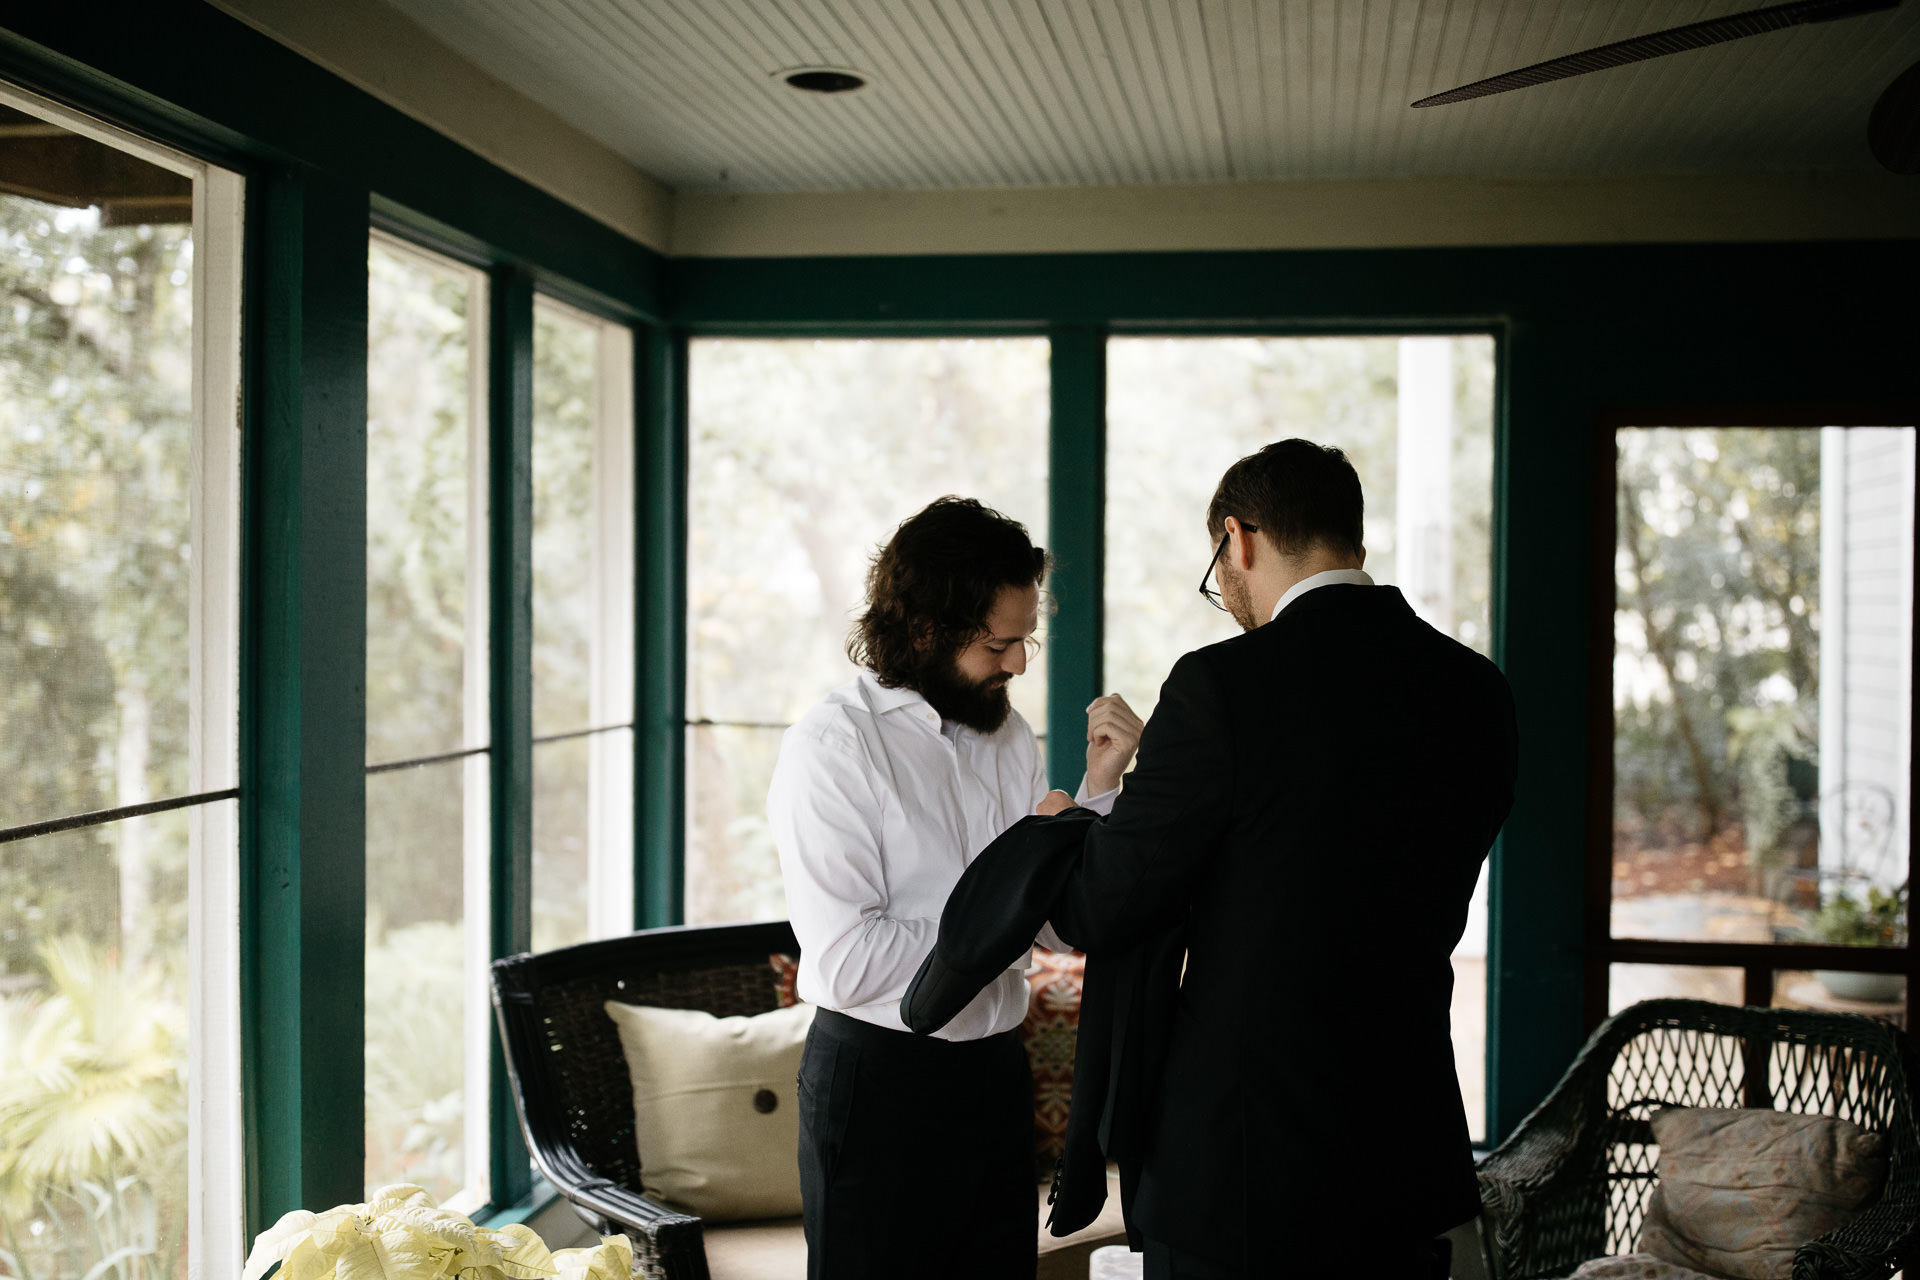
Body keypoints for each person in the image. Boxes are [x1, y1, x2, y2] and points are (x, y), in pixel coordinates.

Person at [1032, 440, 1519, 1278]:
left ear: (1239, 539)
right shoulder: (1478, 691)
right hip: (1405, 1146)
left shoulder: (1220, 687)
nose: (1225, 590)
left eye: (1218, 564)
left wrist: (1069, 819)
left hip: (1243, 1164)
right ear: (1352, 543)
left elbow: (1104, 904)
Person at [767, 496, 1145, 1280]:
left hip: (994, 1081)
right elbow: (845, 962)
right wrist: (1012, 902)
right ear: (924, 629)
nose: (1017, 664)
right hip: (876, 1089)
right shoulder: (836, 745)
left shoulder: (1007, 734)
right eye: (1001, 643)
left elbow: (1057, 930)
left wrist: (1098, 790)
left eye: (1025, 639)